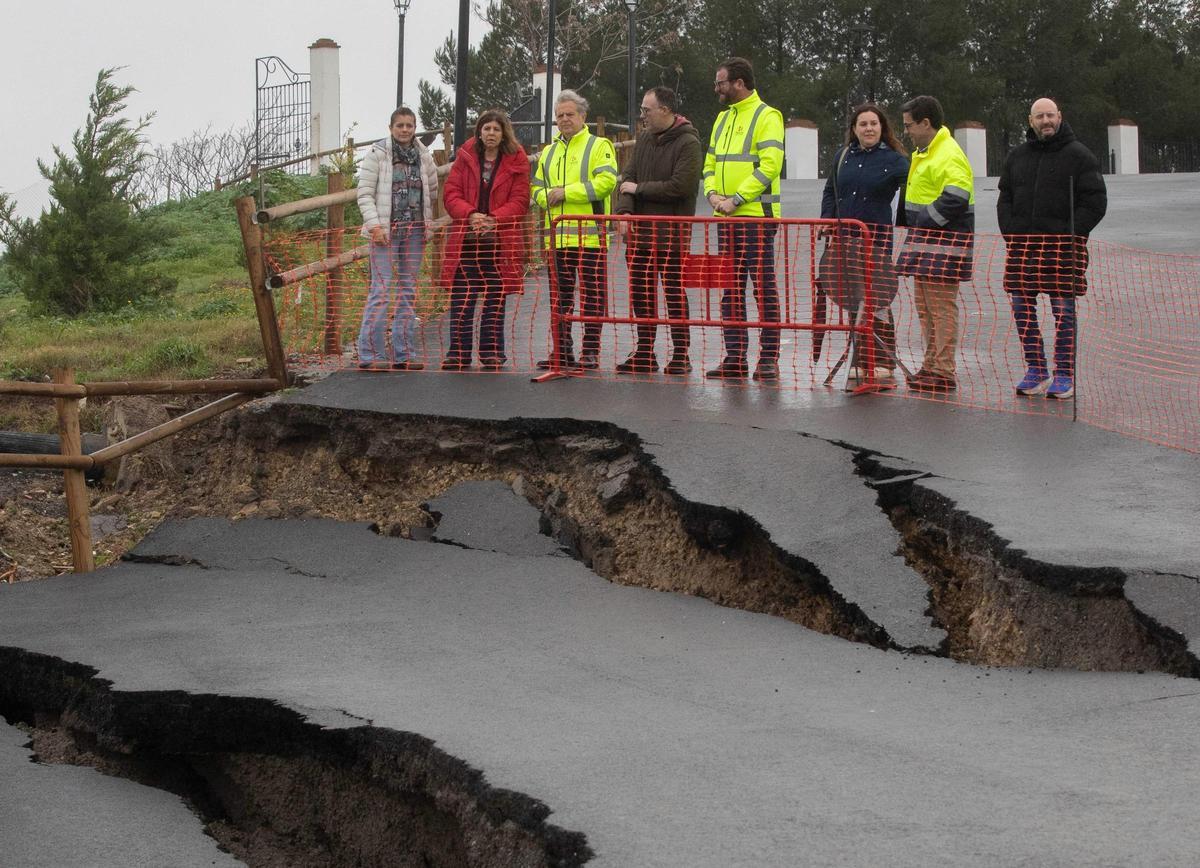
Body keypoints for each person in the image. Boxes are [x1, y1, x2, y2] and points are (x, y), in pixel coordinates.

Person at [997, 97, 1107, 400]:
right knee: (1021, 307)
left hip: (1063, 249)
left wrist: (1069, 234)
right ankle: (1036, 370)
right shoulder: (1017, 156)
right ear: (1031, 121)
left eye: (1050, 115)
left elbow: (1095, 202)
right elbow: (1005, 197)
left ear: (1060, 116)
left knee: (1063, 311)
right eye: (1039, 116)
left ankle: (1063, 374)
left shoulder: (1080, 156)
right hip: (1022, 249)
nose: (1046, 121)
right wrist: (1011, 231)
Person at [702, 57, 785, 381]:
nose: (716, 87)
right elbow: (710, 162)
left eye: (720, 82)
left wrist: (736, 199)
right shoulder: (722, 119)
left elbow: (770, 165)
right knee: (730, 290)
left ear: (738, 83)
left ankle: (768, 359)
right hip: (726, 218)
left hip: (755, 218)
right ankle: (735, 357)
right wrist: (711, 195)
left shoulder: (768, 116)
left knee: (763, 289)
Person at [819, 103, 910, 383]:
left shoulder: (895, 159)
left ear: (882, 128)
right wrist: (826, 220)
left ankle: (884, 361)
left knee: (878, 299)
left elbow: (914, 189)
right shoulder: (842, 156)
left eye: (874, 123)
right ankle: (861, 358)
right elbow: (830, 191)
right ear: (854, 129)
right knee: (853, 297)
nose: (869, 128)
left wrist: (908, 220)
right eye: (863, 124)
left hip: (876, 240)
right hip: (845, 240)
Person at [614, 86, 702, 374]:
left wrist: (639, 189)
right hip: (640, 234)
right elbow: (626, 178)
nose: (642, 116)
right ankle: (644, 352)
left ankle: (680, 354)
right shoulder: (644, 140)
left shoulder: (688, 143)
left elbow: (681, 186)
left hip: (671, 236)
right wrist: (625, 210)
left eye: (646, 110)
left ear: (665, 110)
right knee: (641, 294)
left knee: (673, 294)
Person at [531, 90, 619, 370]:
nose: (565, 119)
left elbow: (606, 182)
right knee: (560, 298)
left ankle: (590, 351)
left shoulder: (599, 145)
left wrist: (565, 193)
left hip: (589, 238)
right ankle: (562, 351)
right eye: (560, 115)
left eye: (570, 114)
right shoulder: (549, 151)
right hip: (556, 239)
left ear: (583, 116)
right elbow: (536, 190)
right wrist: (549, 196)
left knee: (593, 296)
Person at [440, 110, 531, 371]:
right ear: (479, 131)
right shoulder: (465, 155)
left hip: (499, 240)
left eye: (496, 129)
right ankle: (458, 352)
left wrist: (493, 219)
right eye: (486, 128)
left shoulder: (517, 159)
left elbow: (520, 200)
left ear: (504, 133)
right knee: (462, 297)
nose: (491, 133)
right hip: (466, 238)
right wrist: (470, 215)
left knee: (495, 297)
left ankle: (492, 352)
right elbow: (451, 193)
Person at [896, 95, 975, 393]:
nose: (907, 131)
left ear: (925, 123)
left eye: (909, 125)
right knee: (925, 308)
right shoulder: (927, 150)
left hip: (943, 244)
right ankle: (930, 366)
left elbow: (957, 195)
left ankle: (943, 370)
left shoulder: (948, 153)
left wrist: (924, 221)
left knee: (940, 309)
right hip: (926, 243)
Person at [356, 107, 440, 371]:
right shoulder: (378, 155)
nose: (405, 130)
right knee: (380, 291)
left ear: (415, 128)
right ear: (391, 127)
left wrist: (424, 220)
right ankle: (371, 355)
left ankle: (404, 353)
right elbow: (365, 194)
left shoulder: (423, 156)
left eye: (409, 125)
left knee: (408, 290)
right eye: (400, 125)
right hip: (385, 232)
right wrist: (375, 226)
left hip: (414, 230)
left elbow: (433, 189)